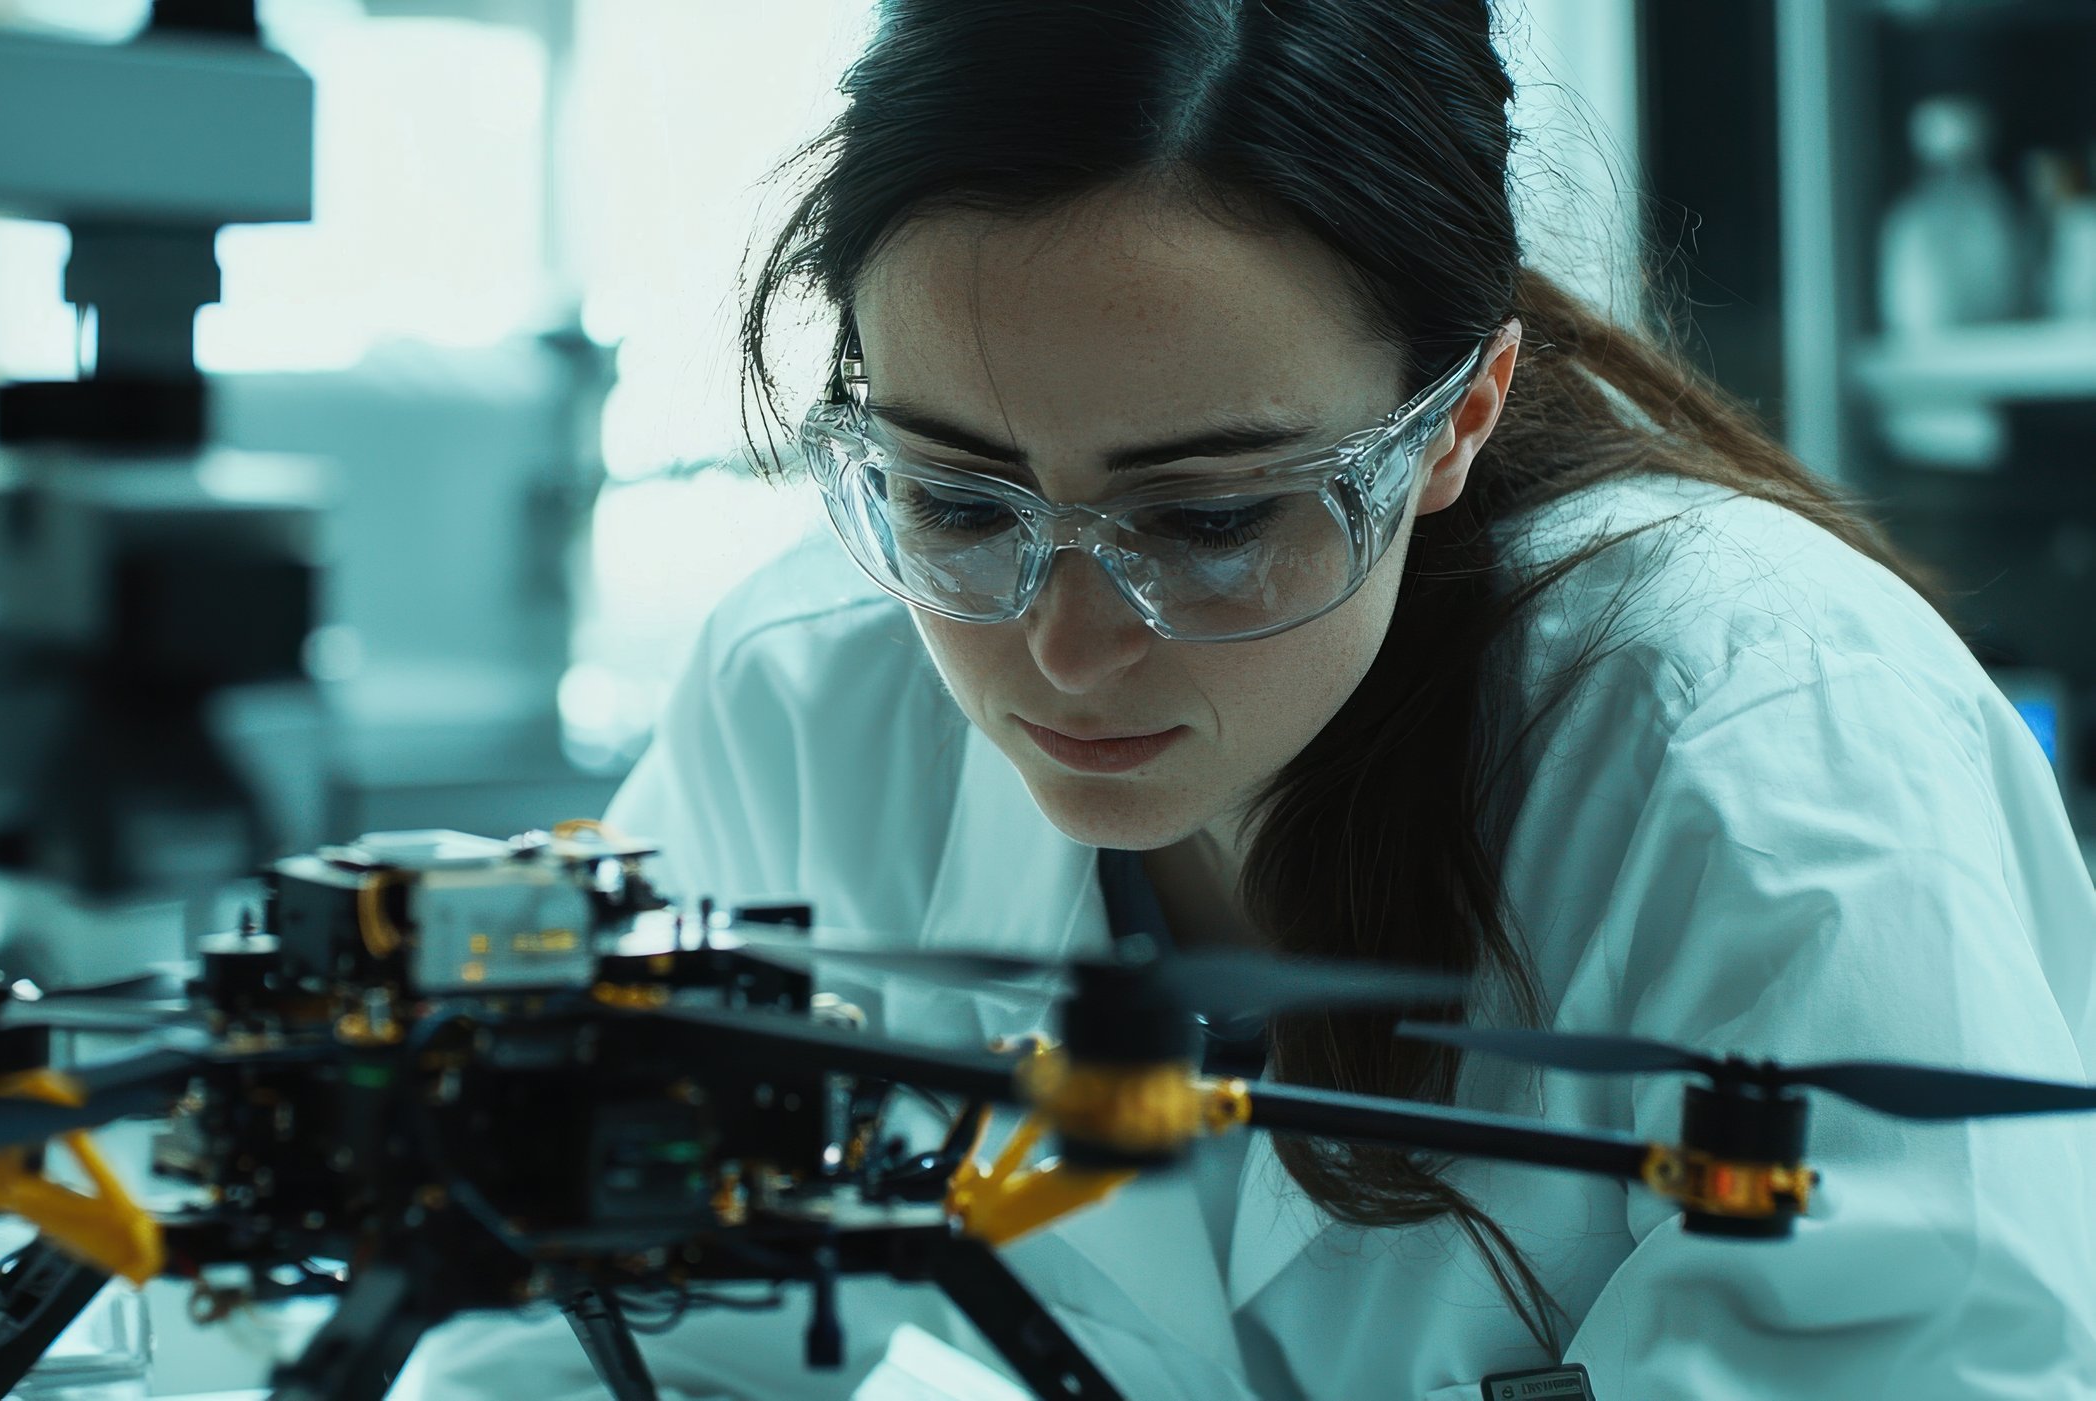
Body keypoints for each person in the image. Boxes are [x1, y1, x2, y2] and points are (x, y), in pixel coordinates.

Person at [410, 1, 2096, 1396]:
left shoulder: (1761, 740)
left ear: (1456, 416)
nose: (1064, 648)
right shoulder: (807, 706)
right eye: (959, 500)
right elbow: (590, 1322)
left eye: (1209, 519)